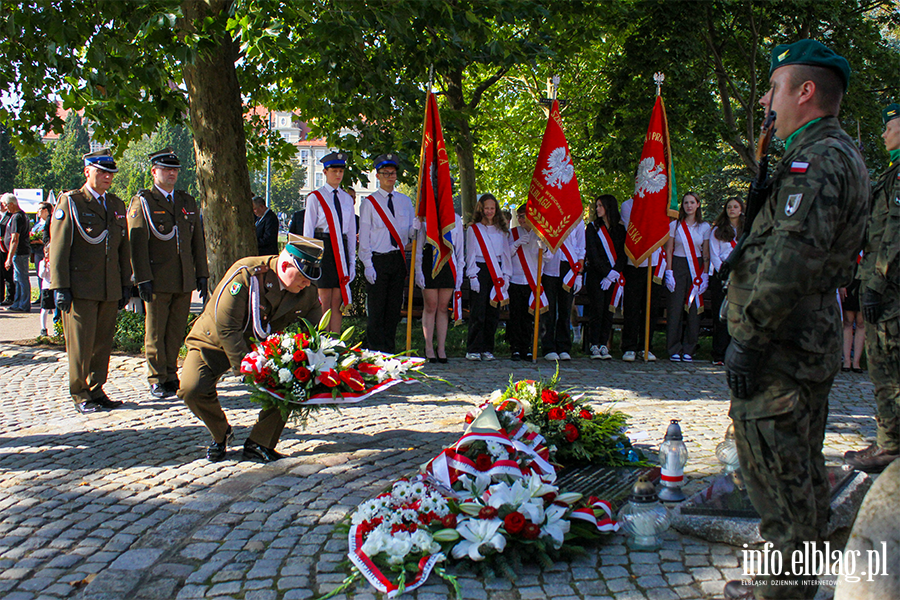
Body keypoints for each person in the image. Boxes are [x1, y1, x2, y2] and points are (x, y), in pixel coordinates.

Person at [722, 40, 869, 600]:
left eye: (776, 87)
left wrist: (749, 338)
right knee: (799, 473)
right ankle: (792, 584)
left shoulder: (819, 159)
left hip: (782, 343)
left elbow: (791, 258)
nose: (767, 99)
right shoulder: (824, 151)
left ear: (806, 92)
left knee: (777, 478)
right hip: (800, 339)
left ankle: (783, 594)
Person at [178, 235, 324, 462]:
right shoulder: (247, 275)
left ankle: (260, 442)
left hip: (263, 347)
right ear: (285, 265)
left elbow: (315, 326)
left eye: (309, 278)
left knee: (296, 374)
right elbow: (226, 327)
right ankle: (221, 433)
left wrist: (312, 359)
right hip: (214, 340)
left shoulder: (306, 290)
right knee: (191, 389)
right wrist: (247, 370)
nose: (307, 283)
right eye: (303, 276)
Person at [50, 148, 133, 415]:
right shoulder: (72, 202)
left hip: (108, 285)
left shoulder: (116, 205)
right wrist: (59, 286)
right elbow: (60, 247)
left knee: (102, 342)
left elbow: (123, 248)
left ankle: (97, 388)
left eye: (110, 174)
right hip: (81, 286)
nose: (107, 177)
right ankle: (79, 392)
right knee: (81, 344)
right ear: (88, 172)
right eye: (101, 172)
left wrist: (124, 283)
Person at [843, 102, 900, 473]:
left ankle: (891, 446)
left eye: (889, 127)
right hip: (887, 287)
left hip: (892, 291)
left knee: (888, 368)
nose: (883, 133)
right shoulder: (893, 175)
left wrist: (874, 285)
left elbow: (894, 236)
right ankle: (889, 437)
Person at [128, 148, 209, 399]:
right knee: (155, 331)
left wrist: (202, 274)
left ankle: (171, 374)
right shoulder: (144, 201)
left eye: (174, 170)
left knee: (175, 330)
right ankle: (156, 377)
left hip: (183, 277)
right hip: (157, 277)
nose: (171, 174)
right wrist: (142, 278)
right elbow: (137, 245)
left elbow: (197, 241)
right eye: (166, 169)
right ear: (154, 172)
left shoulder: (187, 201)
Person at [359, 154, 414, 353]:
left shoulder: (405, 201)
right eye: (385, 173)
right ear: (378, 176)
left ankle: (389, 348)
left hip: (397, 259)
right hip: (377, 260)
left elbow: (408, 233)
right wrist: (367, 264)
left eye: (393, 173)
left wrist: (415, 229)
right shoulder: (369, 203)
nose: (390, 177)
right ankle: (375, 349)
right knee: (376, 308)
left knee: (393, 308)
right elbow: (364, 236)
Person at [303, 151, 356, 333]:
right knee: (323, 299)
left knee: (337, 300)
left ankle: (335, 343)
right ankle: (322, 344)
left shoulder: (347, 199)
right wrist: (308, 262)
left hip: (340, 250)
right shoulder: (315, 198)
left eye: (341, 170)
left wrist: (352, 262)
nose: (338, 174)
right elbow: (308, 232)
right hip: (322, 248)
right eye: (334, 170)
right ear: (325, 172)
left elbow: (350, 232)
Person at [663, 192, 710, 362]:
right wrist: (669, 272)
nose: (688, 206)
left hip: (696, 268)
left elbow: (705, 252)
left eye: (692, 202)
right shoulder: (675, 225)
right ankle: (673, 348)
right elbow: (669, 249)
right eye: (685, 203)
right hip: (677, 265)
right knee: (675, 308)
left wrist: (705, 274)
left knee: (694, 310)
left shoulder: (705, 227)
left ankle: (690, 348)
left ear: (698, 204)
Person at [465, 193, 511, 361]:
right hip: (480, 269)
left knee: (493, 312)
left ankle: (487, 348)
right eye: (487, 208)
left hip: (497, 272)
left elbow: (505, 254)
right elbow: (469, 253)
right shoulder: (473, 229)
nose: (490, 211)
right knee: (478, 311)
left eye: (492, 208)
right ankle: (473, 348)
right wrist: (472, 275)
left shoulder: (502, 230)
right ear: (481, 209)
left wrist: (506, 275)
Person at [415, 212, 464, 363]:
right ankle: (428, 347)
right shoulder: (425, 216)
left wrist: (460, 273)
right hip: (430, 259)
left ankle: (441, 348)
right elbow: (418, 246)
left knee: (443, 307)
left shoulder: (455, 218)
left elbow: (460, 248)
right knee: (431, 305)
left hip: (448, 261)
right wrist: (418, 270)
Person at [585, 194, 625, 360]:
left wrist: (614, 273)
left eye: (601, 205)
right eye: (597, 205)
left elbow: (623, 254)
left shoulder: (620, 229)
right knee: (597, 309)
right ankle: (593, 344)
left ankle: (604, 344)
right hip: (597, 276)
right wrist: (605, 273)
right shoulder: (593, 228)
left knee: (609, 310)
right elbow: (593, 254)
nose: (598, 208)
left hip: (614, 277)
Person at [619, 197, 659, 362]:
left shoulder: (658, 202)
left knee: (651, 307)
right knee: (632, 306)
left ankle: (646, 346)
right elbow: (633, 228)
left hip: (654, 263)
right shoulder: (627, 205)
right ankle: (629, 346)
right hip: (633, 261)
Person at [541, 217, 585, 361]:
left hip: (569, 267)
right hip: (549, 266)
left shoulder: (577, 219)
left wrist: (579, 274)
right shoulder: (550, 214)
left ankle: (564, 346)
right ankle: (548, 346)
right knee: (549, 309)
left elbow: (580, 248)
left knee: (565, 308)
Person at [708, 197, 744, 365]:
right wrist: (724, 273)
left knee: (739, 316)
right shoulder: (717, 230)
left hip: (742, 277)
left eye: (735, 207)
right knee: (721, 315)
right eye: (729, 207)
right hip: (721, 277)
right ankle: (719, 354)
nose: (732, 209)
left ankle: (736, 354)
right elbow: (714, 254)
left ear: (741, 209)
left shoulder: (748, 230)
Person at [507, 203, 545, 361]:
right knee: (515, 315)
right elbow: (506, 254)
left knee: (529, 317)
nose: (520, 220)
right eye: (519, 217)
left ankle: (527, 347)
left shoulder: (540, 234)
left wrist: (544, 248)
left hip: (532, 281)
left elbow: (547, 258)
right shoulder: (512, 233)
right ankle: (515, 348)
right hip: (516, 279)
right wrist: (516, 244)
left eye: (523, 216)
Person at [1, 194, 31, 313]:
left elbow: (15, 239)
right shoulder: (17, 215)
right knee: (17, 279)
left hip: (19, 252)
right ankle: (18, 303)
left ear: (12, 204)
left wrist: (9, 258)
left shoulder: (18, 217)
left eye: (6, 205)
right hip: (19, 252)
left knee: (21, 279)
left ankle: (23, 305)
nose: (6, 208)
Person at [839, 257, 864, 373]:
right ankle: (847, 360)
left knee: (861, 323)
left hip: (865, 280)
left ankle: (856, 362)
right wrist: (841, 283)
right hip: (850, 280)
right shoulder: (853, 243)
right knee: (848, 321)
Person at [30, 201, 52, 302]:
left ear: (45, 210)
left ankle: (46, 297)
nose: (37, 212)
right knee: (39, 274)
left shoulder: (50, 221)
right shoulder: (38, 223)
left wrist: (38, 240)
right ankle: (41, 295)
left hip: (44, 251)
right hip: (36, 251)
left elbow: (49, 238)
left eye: (39, 209)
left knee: (47, 275)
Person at [0, 204, 15, 305]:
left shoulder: (10, 216)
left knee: (8, 273)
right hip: (0, 248)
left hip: (6, 248)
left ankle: (11, 296)